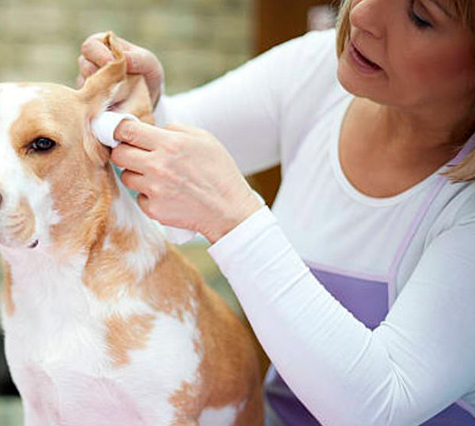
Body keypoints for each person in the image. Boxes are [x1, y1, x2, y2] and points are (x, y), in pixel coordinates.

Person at [77, 0, 475, 424]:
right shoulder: (319, 70)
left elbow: (380, 406)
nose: (361, 15)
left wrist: (235, 219)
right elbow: (167, 143)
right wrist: (141, 106)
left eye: (420, 17)